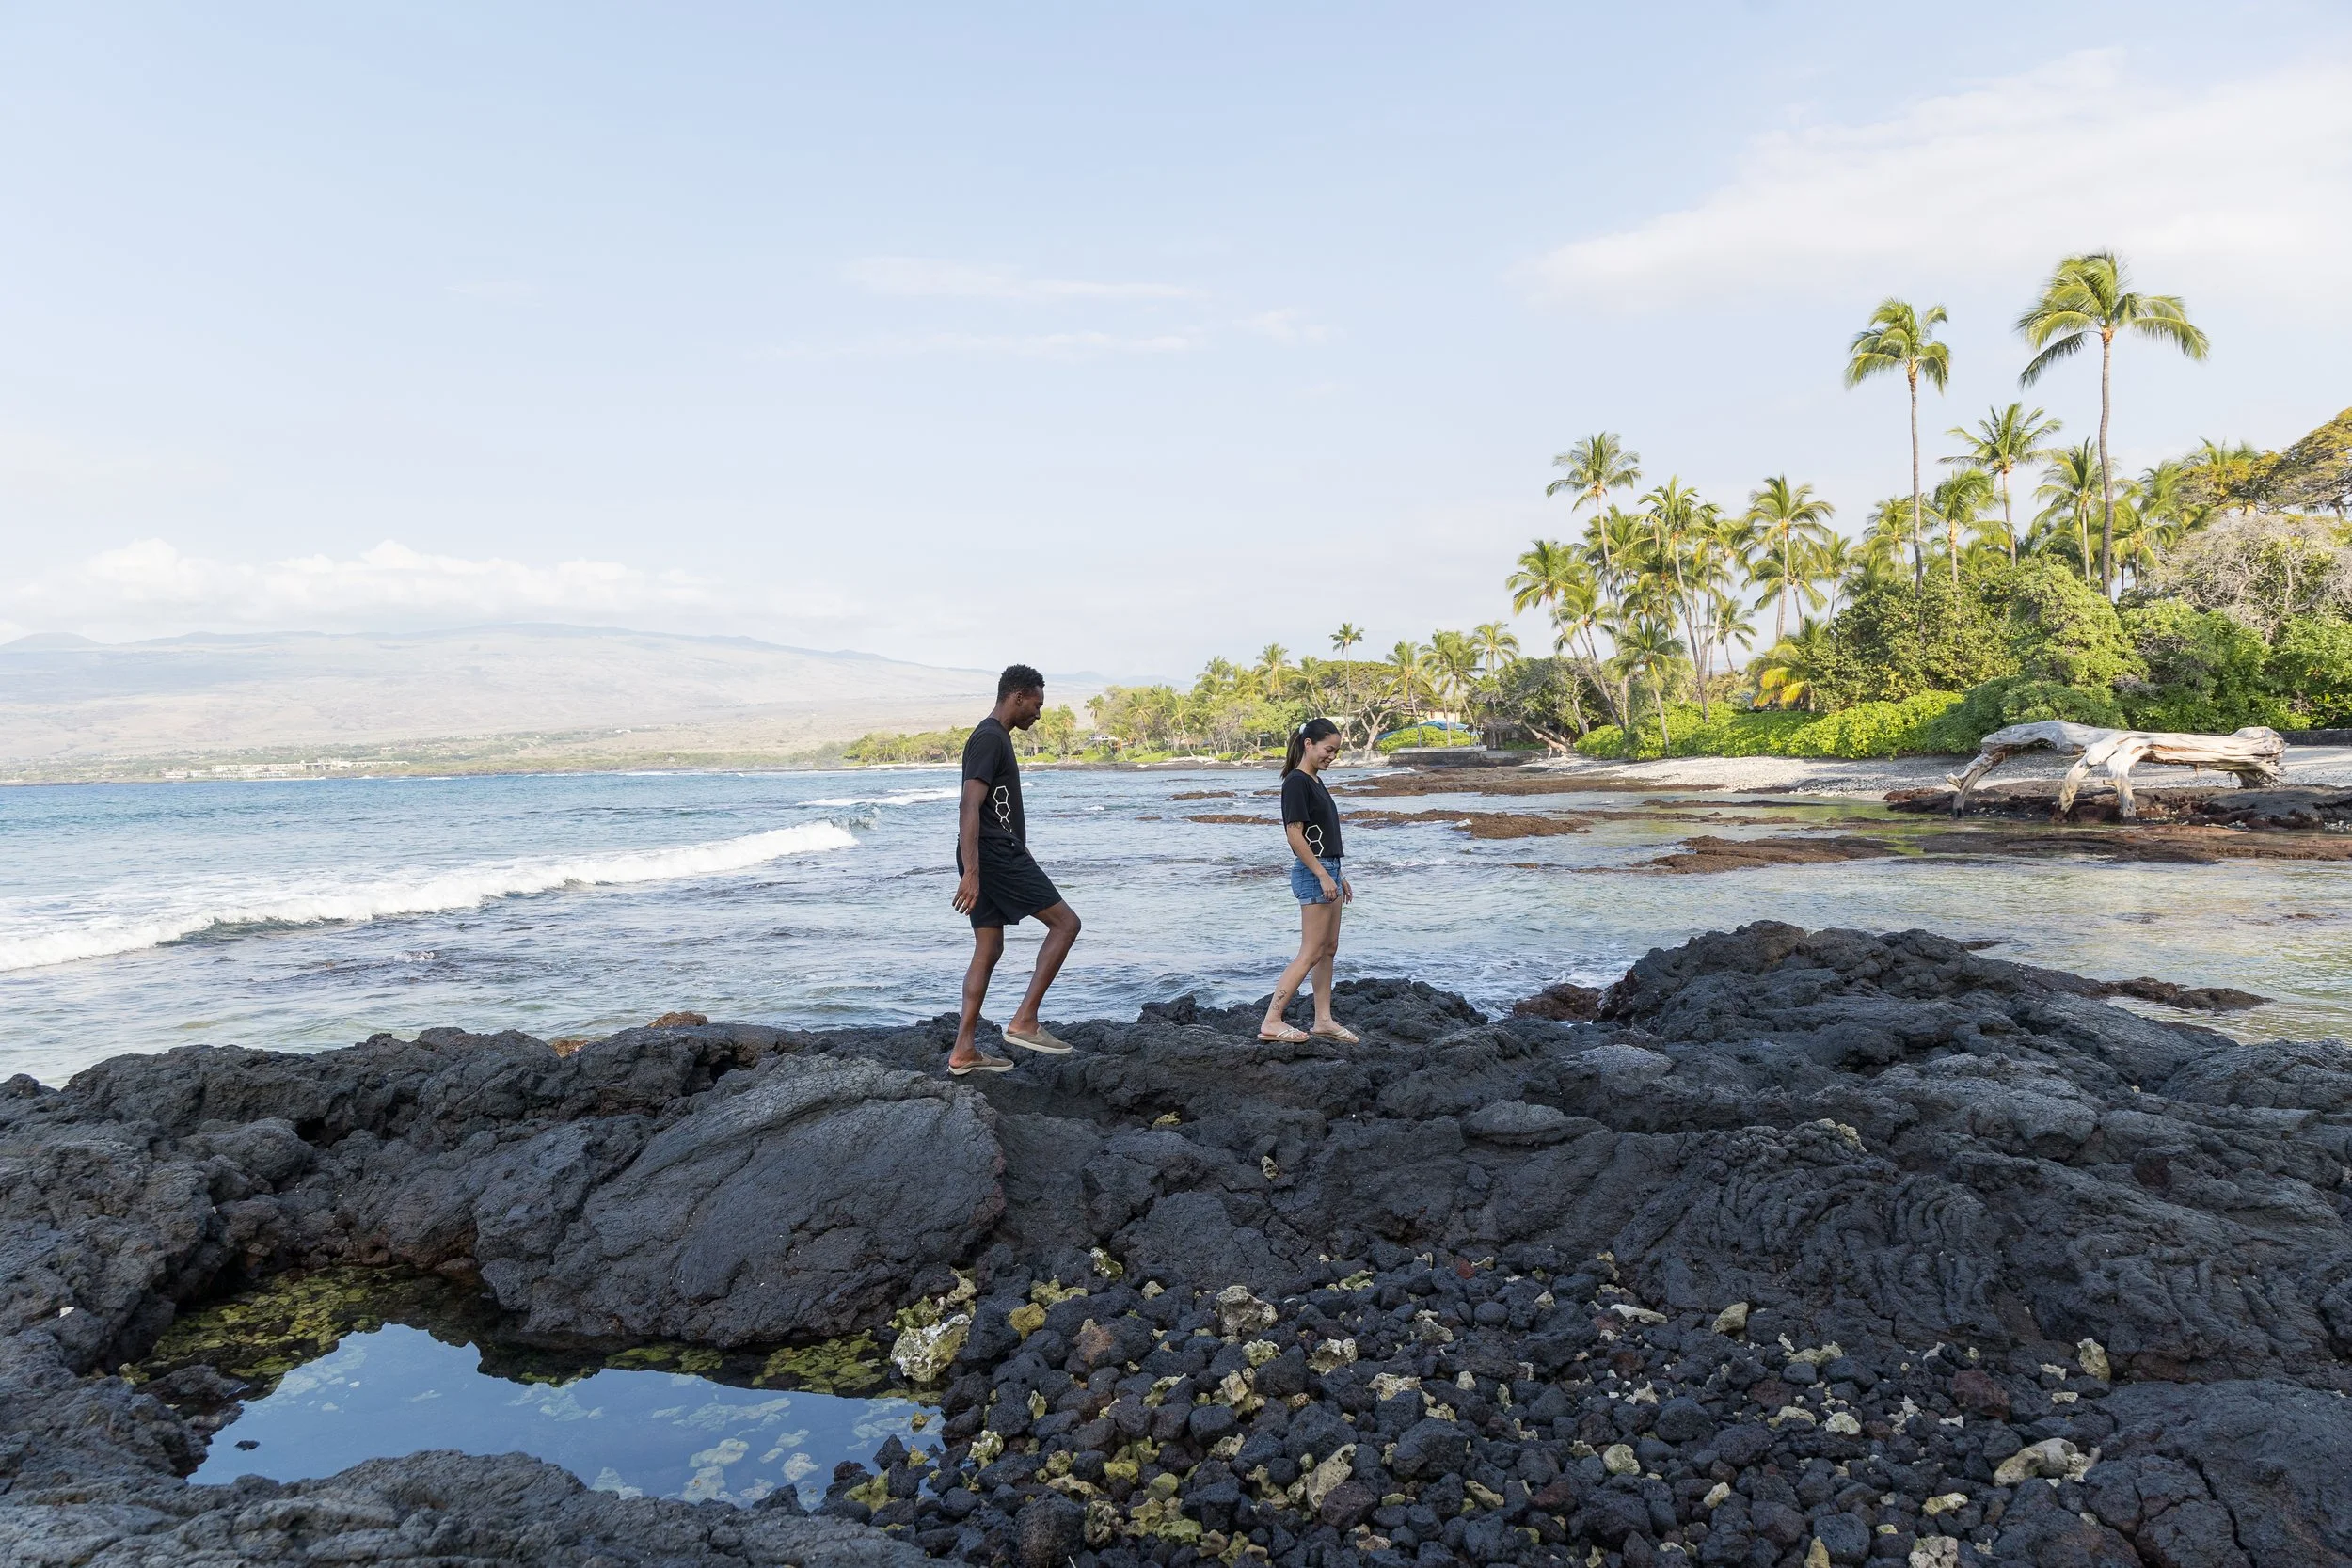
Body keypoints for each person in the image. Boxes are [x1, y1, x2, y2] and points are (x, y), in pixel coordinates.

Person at [948, 664, 1083, 1074]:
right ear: (1017, 696)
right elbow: (969, 805)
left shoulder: (993, 736)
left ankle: (963, 1051)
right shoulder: (990, 737)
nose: (1038, 714)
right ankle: (1025, 1020)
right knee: (1066, 924)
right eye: (1036, 705)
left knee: (989, 948)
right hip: (994, 854)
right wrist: (973, 873)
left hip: (987, 853)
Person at [1259, 717, 1359, 1044]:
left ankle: (1323, 1020)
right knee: (1311, 951)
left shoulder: (1315, 781)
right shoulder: (1296, 782)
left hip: (1329, 871)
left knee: (1328, 949)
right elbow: (1295, 836)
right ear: (1308, 744)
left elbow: (1323, 836)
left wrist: (1338, 875)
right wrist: (1322, 874)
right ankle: (1272, 1020)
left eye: (1336, 752)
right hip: (1314, 873)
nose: (1332, 756)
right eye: (1328, 750)